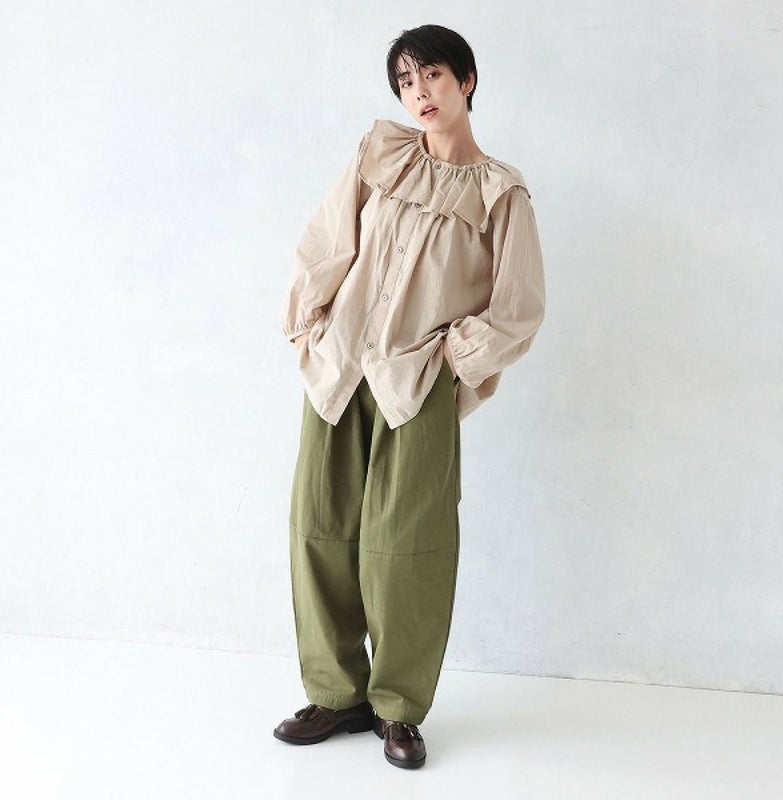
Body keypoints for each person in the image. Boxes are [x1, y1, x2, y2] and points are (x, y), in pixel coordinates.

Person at [273, 24, 545, 769]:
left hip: (416, 384)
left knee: (407, 548)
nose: (419, 92)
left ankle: (397, 708)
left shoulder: (501, 193)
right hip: (339, 372)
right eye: (405, 81)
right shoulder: (379, 154)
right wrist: (309, 328)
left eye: (432, 75)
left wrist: (451, 359)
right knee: (319, 531)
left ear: (466, 81)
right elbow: (327, 242)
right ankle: (337, 694)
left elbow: (518, 308)